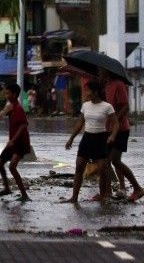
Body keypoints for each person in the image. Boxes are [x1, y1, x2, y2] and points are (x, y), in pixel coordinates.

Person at [59, 79, 119, 204]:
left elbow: (116, 123)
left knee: (102, 170)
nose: (86, 93)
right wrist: (71, 138)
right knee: (79, 166)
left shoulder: (107, 106)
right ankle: (74, 197)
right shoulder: (85, 105)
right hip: (87, 138)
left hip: (101, 139)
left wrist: (112, 136)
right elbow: (80, 122)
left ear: (95, 92)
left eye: (88, 90)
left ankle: (103, 196)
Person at [99, 68, 144, 201]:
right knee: (105, 162)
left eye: (100, 71)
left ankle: (137, 188)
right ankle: (106, 192)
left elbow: (125, 106)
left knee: (114, 160)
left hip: (121, 129)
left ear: (106, 71)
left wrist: (115, 120)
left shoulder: (118, 84)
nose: (98, 73)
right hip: (109, 129)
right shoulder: (106, 85)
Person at [0, 82, 31, 201]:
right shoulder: (11, 106)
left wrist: (13, 140)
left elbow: (23, 125)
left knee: (12, 167)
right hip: (12, 142)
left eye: (7, 93)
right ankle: (7, 188)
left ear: (14, 94)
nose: (6, 95)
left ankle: (24, 195)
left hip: (19, 142)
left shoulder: (18, 108)